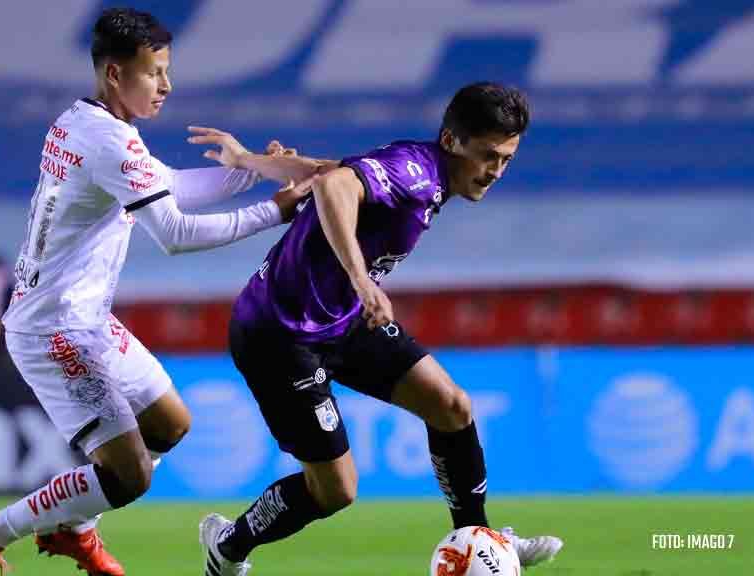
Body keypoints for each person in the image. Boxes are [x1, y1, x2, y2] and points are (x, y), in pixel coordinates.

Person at [0, 8, 308, 576]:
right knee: (130, 475)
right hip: (54, 330)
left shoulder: (85, 123)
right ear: (115, 74)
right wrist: (274, 209)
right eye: (154, 73)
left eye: (167, 71)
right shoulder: (108, 140)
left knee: (170, 424)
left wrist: (250, 169)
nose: (166, 85)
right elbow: (175, 233)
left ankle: (76, 528)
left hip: (82, 316)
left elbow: (166, 188)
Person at [187, 83, 564, 576]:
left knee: (451, 407)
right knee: (335, 491)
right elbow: (333, 186)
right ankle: (228, 545)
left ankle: (482, 540)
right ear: (452, 141)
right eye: (488, 156)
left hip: (341, 319)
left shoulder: (422, 170)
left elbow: (326, 170)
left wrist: (247, 160)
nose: (495, 172)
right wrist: (361, 278)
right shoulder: (417, 174)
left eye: (506, 160)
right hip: (279, 335)